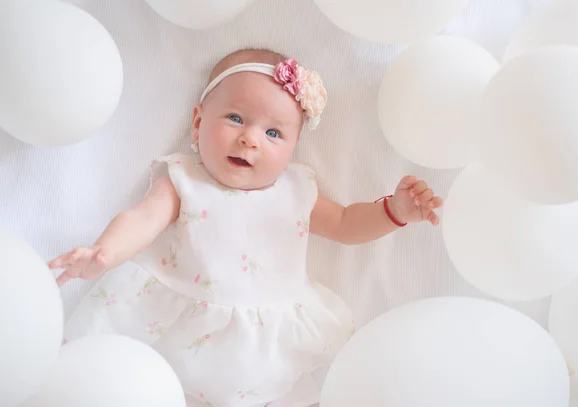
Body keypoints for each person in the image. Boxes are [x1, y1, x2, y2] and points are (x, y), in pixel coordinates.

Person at [48, 48, 443, 407]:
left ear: (294, 147)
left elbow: (344, 224)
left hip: (268, 350)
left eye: (274, 133)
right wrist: (104, 253)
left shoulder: (296, 189)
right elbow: (143, 219)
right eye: (236, 118)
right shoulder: (184, 179)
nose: (249, 139)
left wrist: (394, 211)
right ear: (198, 122)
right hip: (180, 338)